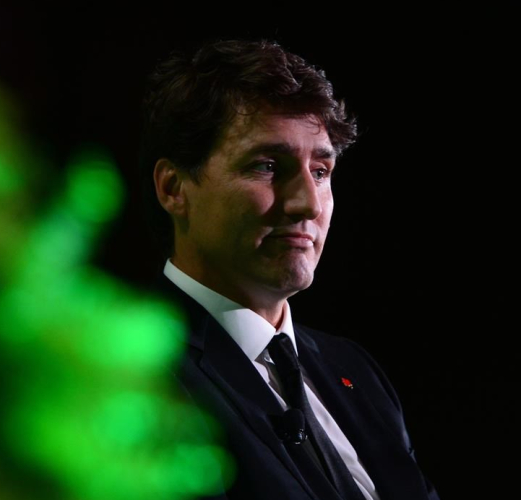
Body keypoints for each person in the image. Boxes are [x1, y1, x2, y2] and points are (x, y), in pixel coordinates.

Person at [140, 39, 440, 500]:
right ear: (174, 187)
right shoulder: (135, 370)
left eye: (320, 171)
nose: (306, 203)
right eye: (266, 166)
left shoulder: (355, 370)